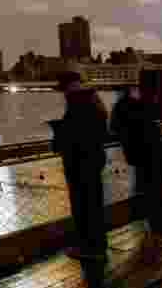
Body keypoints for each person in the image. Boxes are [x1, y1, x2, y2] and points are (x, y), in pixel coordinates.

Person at [51, 71, 109, 288]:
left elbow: (72, 136)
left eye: (63, 89)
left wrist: (58, 135)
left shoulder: (77, 105)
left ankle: (88, 248)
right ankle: (98, 246)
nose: (63, 94)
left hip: (79, 164)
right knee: (94, 204)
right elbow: (99, 132)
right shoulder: (95, 102)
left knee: (82, 206)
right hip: (94, 160)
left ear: (69, 88)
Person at [112, 84, 162, 258]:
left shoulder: (122, 106)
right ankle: (159, 222)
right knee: (156, 185)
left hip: (139, 153)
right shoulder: (142, 106)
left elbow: (114, 127)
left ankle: (145, 216)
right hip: (154, 150)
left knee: (145, 185)